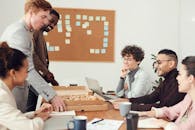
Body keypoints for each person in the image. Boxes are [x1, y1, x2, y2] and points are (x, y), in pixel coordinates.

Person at [0, 0, 65, 112]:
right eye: (43, 17)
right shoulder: (19, 33)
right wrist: (52, 96)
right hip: (12, 92)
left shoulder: (27, 31)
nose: (46, 22)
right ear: (31, 13)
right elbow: (29, 70)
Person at [0, 42, 53, 130]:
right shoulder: (2, 96)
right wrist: (41, 118)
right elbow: (30, 128)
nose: (27, 76)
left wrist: (35, 114)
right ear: (13, 73)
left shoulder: (4, 90)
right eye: (26, 71)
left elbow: (12, 120)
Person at [113, 49, 186, 111]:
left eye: (159, 62)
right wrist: (129, 101)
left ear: (171, 64)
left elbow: (163, 107)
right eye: (156, 62)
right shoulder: (167, 80)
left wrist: (129, 106)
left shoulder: (177, 82)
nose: (156, 66)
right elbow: (151, 97)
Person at [139, 56, 195, 130]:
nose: (177, 78)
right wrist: (146, 113)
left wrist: (164, 123)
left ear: (190, 78)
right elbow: (172, 110)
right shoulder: (189, 98)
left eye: (180, 74)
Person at [33, 9, 59, 86]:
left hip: (38, 79)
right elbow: (32, 55)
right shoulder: (35, 31)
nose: (52, 26)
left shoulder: (40, 33)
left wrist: (47, 73)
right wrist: (45, 72)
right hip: (31, 80)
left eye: (55, 24)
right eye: (51, 21)